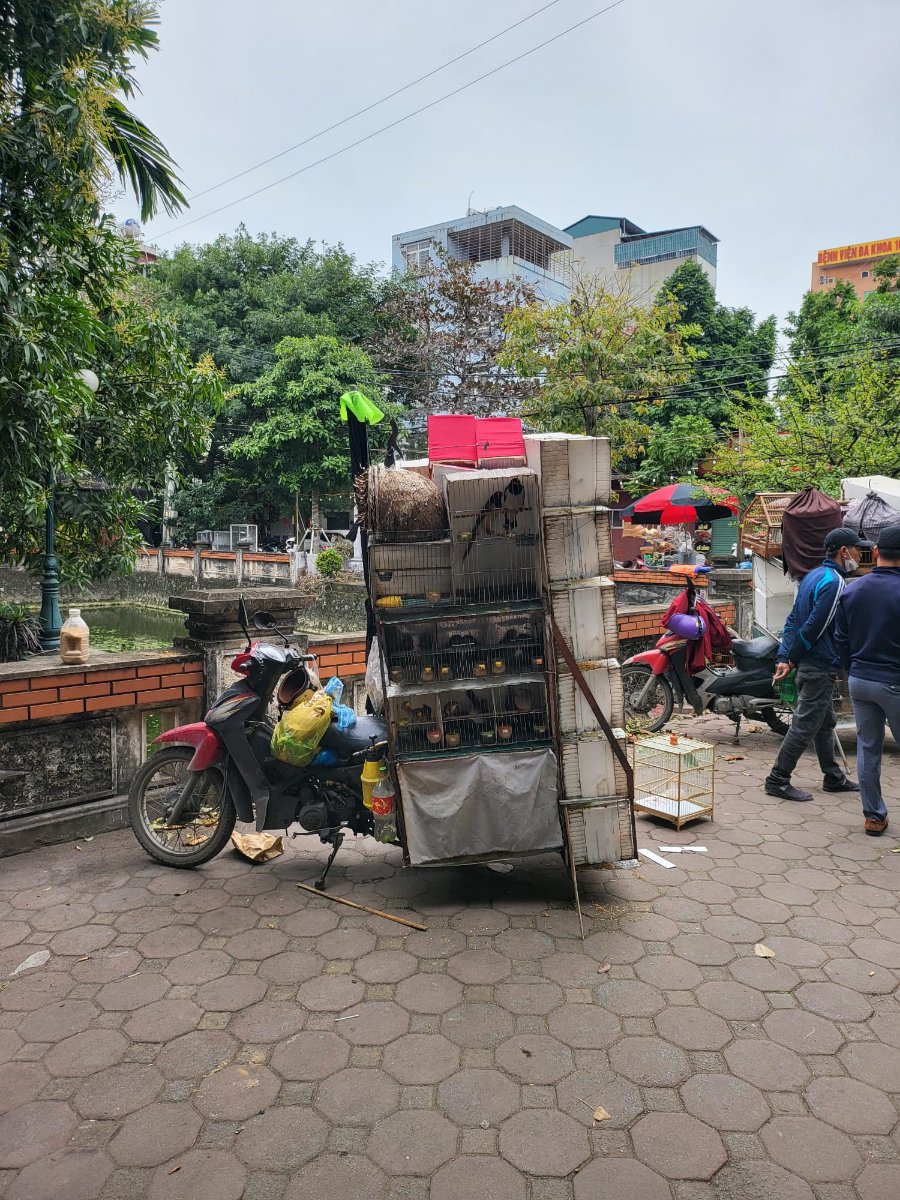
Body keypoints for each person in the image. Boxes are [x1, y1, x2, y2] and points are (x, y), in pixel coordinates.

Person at [765, 528, 863, 802]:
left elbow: (792, 620)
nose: (859, 554)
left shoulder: (813, 576)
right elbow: (813, 627)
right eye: (857, 549)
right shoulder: (835, 582)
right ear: (844, 551)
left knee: (825, 722)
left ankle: (832, 776)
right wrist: (791, 658)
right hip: (819, 664)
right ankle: (777, 779)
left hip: (811, 662)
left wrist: (785, 656)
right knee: (804, 725)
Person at [834, 523, 900, 836]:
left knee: (868, 747)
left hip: (860, 679)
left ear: (874, 553)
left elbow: (840, 639)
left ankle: (874, 816)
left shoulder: (852, 590)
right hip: (894, 681)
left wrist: (853, 669)